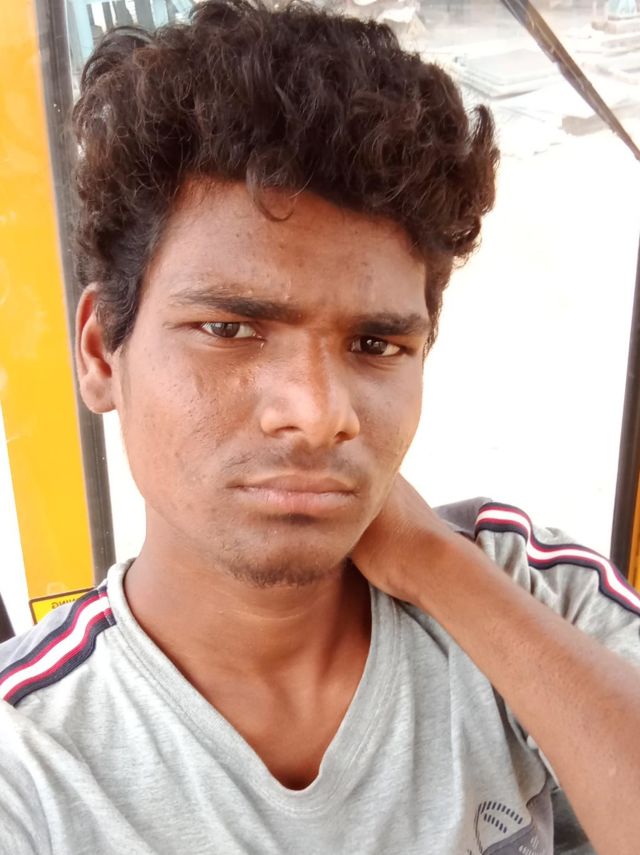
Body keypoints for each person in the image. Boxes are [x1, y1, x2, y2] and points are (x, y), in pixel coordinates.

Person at [1, 1, 639, 852]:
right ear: (99, 352)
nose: (318, 412)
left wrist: (435, 566)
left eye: (376, 344)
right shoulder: (31, 757)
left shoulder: (527, 590)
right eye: (229, 328)